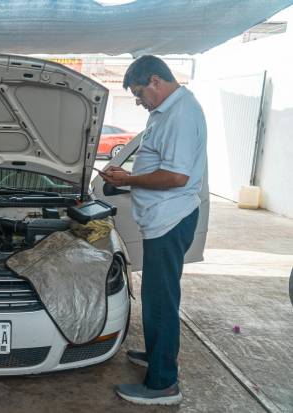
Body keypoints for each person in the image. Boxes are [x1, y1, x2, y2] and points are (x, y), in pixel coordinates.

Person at [100, 55, 207, 406]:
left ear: (156, 82)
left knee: (161, 300)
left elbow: (176, 177)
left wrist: (128, 179)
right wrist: (127, 177)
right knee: (157, 296)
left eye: (138, 93)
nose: (138, 101)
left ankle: (163, 383)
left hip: (170, 219)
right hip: (162, 220)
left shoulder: (180, 114)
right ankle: (157, 354)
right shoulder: (166, 112)